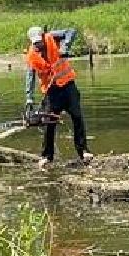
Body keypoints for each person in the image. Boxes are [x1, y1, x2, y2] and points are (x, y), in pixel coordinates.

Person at [24, 25, 87, 169]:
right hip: (51, 91)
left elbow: (72, 31)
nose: (38, 45)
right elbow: (30, 76)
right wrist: (29, 97)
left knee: (77, 117)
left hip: (68, 86)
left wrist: (65, 46)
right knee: (49, 123)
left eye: (39, 41)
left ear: (43, 36)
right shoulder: (32, 55)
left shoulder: (52, 36)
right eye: (35, 43)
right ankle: (47, 156)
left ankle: (83, 151)